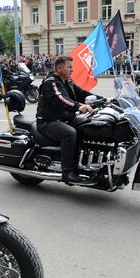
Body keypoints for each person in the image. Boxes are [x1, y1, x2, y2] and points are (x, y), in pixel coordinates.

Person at [35, 55, 95, 184]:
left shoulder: (68, 82)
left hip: (63, 119)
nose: (72, 70)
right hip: (47, 122)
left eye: (71, 67)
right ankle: (67, 172)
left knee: (89, 125)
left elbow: (82, 94)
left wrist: (104, 100)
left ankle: (85, 163)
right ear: (59, 68)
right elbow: (60, 99)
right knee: (69, 133)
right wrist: (79, 106)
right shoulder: (50, 83)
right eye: (69, 67)